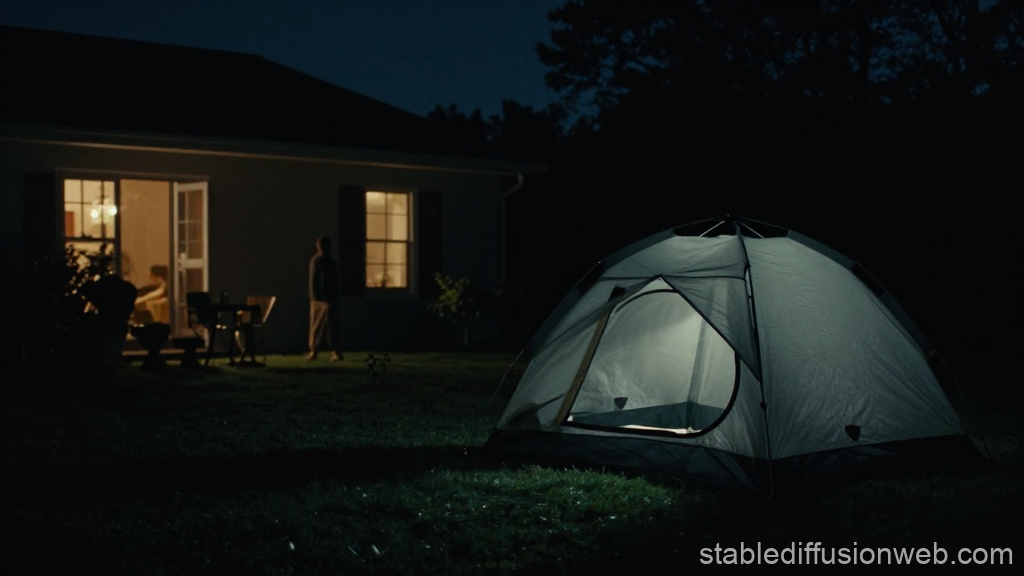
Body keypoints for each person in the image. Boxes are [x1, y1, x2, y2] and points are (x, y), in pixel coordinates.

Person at [308, 236, 342, 361]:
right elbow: (316, 280)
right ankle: (317, 350)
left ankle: (325, 351)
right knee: (322, 325)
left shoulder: (321, 261)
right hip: (321, 298)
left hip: (325, 297)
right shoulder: (319, 261)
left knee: (325, 325)